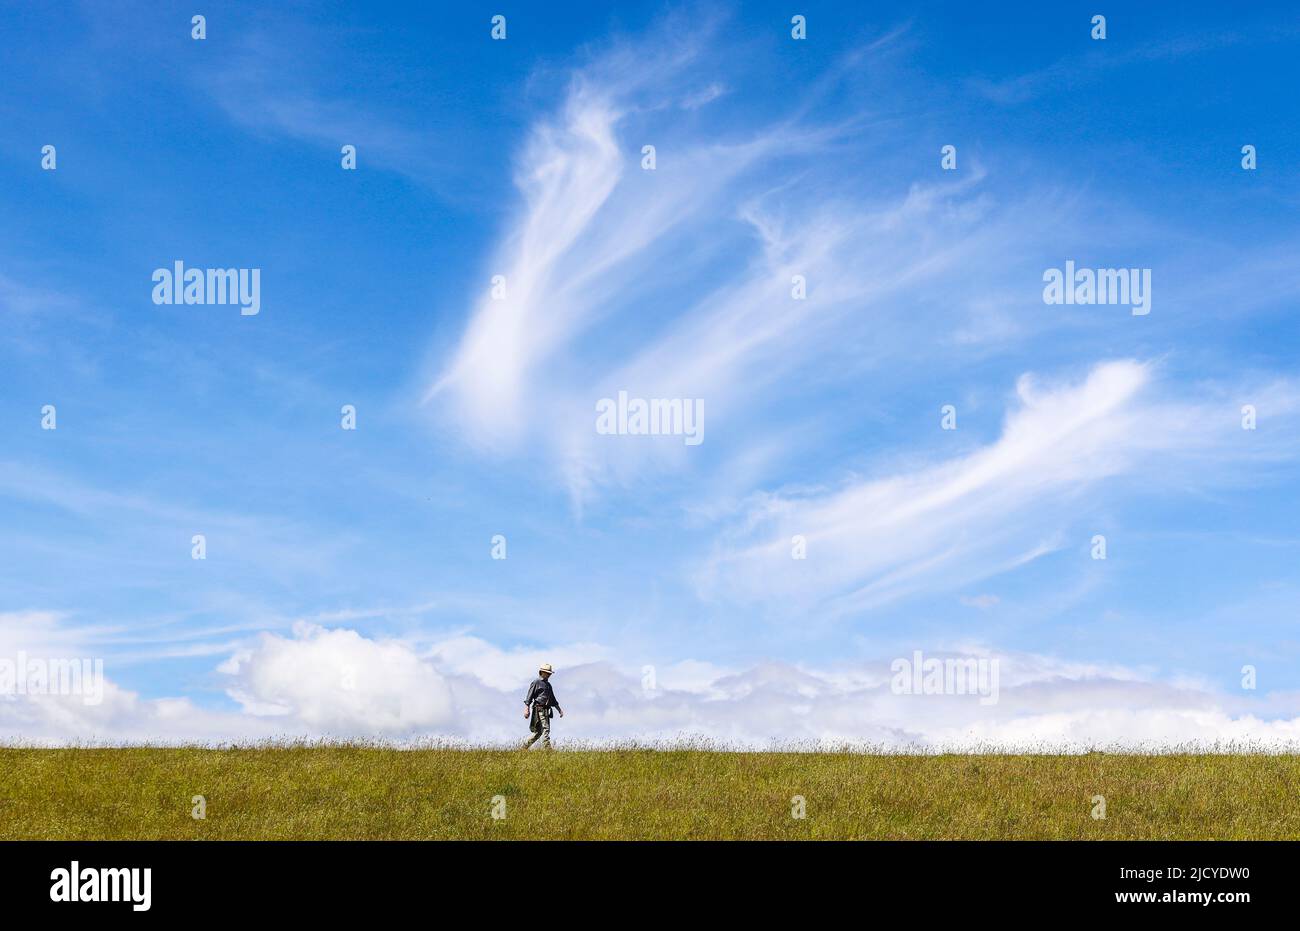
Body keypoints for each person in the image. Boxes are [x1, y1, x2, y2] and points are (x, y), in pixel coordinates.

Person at [522, 663, 564, 749]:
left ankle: (523, 747)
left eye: (549, 673)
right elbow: (529, 696)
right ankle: (548, 750)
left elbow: (553, 699)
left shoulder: (548, 685)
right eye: (547, 673)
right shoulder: (536, 682)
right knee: (546, 729)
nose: (549, 675)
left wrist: (559, 710)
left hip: (546, 710)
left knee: (538, 732)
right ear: (541, 672)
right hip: (539, 709)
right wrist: (527, 709)